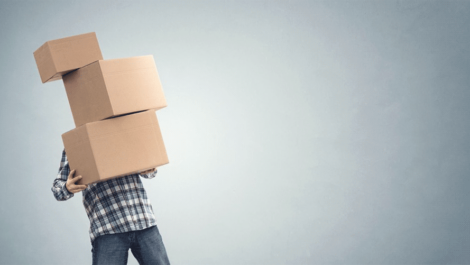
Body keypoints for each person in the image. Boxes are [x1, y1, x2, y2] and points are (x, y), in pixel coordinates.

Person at [51, 149, 170, 265]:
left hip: (142, 220)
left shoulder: (127, 136)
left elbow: (150, 172)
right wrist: (67, 187)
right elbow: (58, 189)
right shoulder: (77, 145)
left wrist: (150, 167)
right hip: (108, 227)